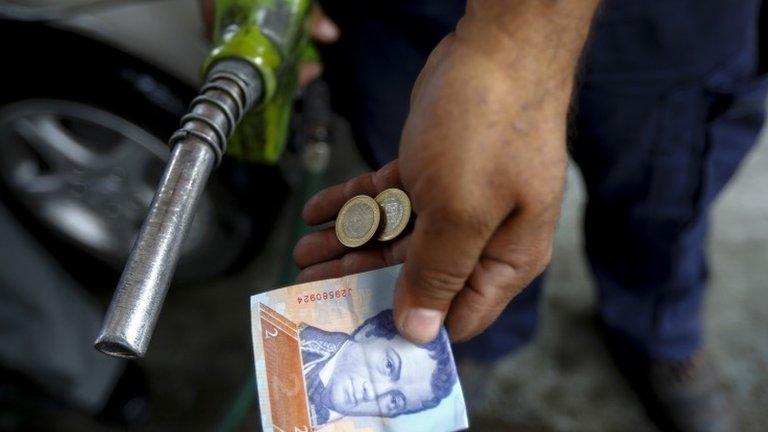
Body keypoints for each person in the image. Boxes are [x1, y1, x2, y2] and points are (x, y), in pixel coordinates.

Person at [291, 1, 768, 431]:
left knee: (660, 200)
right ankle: (471, 343)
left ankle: (659, 332)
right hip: (409, 19)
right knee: (443, 216)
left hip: (667, 24)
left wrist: (511, 47)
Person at [300, 309, 457, 426]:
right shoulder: (295, 339)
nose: (375, 391)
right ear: (368, 333)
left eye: (395, 400)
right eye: (389, 365)